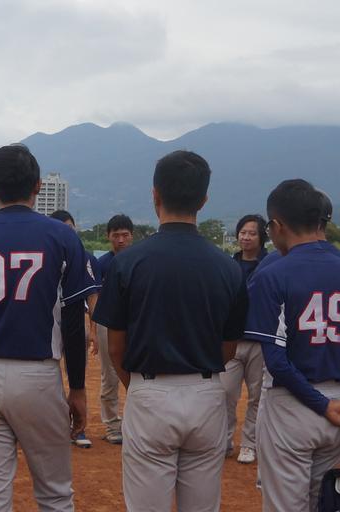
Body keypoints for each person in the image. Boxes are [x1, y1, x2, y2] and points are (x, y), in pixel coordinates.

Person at [0, 144, 97, 511]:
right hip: (37, 374)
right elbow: (73, 322)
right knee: (55, 494)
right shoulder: (62, 236)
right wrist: (77, 388)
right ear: (38, 185)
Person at [93, 150, 247, 512]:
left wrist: (139, 387)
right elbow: (229, 347)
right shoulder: (228, 267)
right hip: (207, 391)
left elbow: (116, 348)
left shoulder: (127, 262)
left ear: (155, 195)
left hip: (150, 391)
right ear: (204, 200)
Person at [246, 179, 340, 511]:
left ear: (277, 226)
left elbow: (276, 361)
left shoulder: (273, 273)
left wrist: (320, 404)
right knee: (326, 505)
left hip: (291, 403)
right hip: (339, 405)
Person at [50, 209, 101, 449]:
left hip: (73, 322)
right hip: (47, 325)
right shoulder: (44, 255)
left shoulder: (84, 256)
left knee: (76, 376)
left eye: (69, 227)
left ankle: (79, 428)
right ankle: (54, 427)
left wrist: (94, 330)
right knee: (49, 376)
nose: (66, 232)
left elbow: (92, 295)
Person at [221, 213, 268, 464]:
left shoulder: (270, 265)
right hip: (231, 338)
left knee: (256, 396)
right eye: (242, 232)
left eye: (252, 233)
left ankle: (249, 444)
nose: (246, 237)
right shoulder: (229, 265)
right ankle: (224, 441)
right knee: (225, 393)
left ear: (262, 237)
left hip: (259, 340)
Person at [93, 213, 134, 445]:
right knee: (110, 375)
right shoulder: (102, 264)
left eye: (125, 235)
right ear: (108, 236)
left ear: (132, 236)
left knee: (137, 373)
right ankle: (111, 425)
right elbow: (95, 299)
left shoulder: (139, 260)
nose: (120, 240)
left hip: (134, 322)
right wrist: (94, 331)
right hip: (107, 323)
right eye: (116, 235)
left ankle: (134, 423)